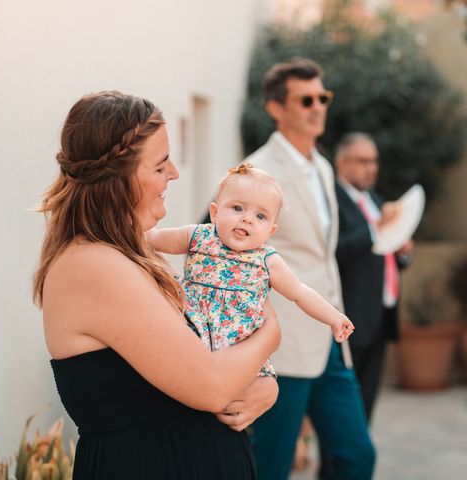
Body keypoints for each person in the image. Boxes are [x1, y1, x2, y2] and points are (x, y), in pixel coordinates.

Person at [33, 91, 281, 478]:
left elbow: (210, 359)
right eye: (161, 165)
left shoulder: (123, 255)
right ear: (120, 178)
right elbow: (213, 386)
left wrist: (267, 386)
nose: (174, 174)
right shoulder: (93, 265)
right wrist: (272, 331)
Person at [245, 58, 376, 480]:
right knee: (269, 467)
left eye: (323, 97)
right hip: (281, 348)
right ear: (276, 108)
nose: (318, 106)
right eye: (306, 100)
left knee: (357, 456)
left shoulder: (322, 167)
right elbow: (232, 249)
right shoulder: (257, 171)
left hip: (331, 341)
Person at [147, 163, 354, 377]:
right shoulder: (197, 237)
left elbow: (300, 293)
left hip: (240, 351)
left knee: (240, 395)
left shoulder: (267, 260)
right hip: (190, 334)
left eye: (261, 216)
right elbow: (152, 238)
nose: (247, 219)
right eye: (237, 208)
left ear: (270, 231)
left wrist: (334, 317)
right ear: (214, 213)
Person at [334, 132, 413, 422]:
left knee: (365, 408)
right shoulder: (332, 200)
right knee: (344, 413)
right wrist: (374, 229)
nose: (372, 167)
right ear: (342, 162)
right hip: (349, 318)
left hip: (380, 316)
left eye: (375, 161)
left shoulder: (375, 200)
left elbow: (384, 255)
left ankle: (355, 464)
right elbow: (334, 252)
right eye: (363, 161)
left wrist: (403, 252)